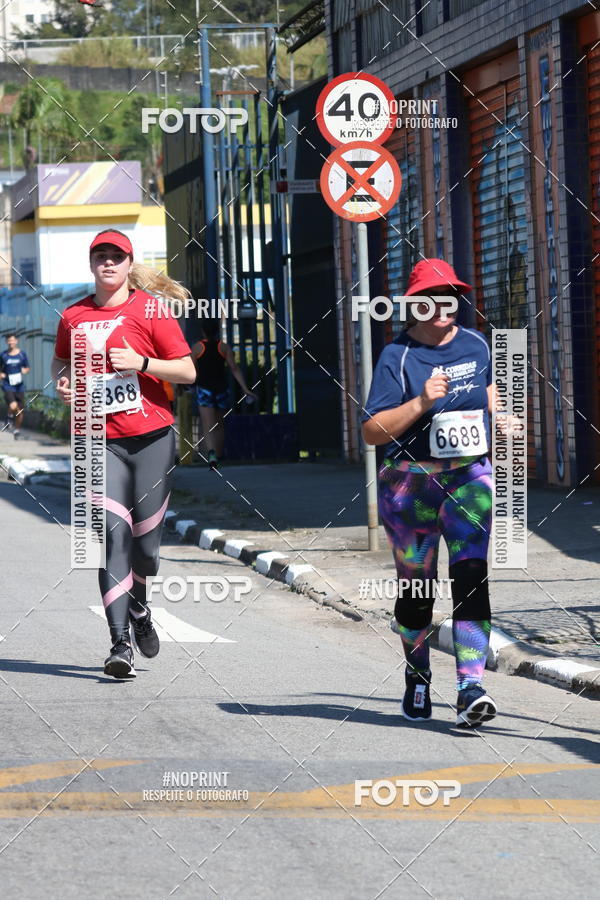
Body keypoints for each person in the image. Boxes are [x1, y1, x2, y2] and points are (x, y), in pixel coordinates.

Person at [52, 229, 196, 678]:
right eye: (101, 257)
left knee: (146, 551)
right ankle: (119, 645)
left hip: (152, 438)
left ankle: (139, 606)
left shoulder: (150, 310)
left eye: (117, 257)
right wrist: (63, 385)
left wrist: (143, 364)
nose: (108, 263)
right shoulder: (73, 315)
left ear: (129, 263)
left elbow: (188, 372)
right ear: (91, 264)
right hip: (100, 439)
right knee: (114, 535)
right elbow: (61, 361)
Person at [362, 258, 497, 728]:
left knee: (472, 580)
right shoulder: (395, 357)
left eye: (452, 296)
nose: (444, 305)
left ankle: (470, 687)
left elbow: (489, 392)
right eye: (432, 297)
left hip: (469, 478)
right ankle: (418, 676)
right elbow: (372, 432)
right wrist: (421, 402)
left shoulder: (478, 344)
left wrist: (504, 419)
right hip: (409, 485)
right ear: (413, 305)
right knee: (418, 591)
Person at [190, 322, 257, 469]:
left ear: (202, 331)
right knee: (219, 425)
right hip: (221, 389)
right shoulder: (224, 347)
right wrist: (245, 389)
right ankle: (219, 456)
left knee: (207, 425)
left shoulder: (197, 348)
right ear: (218, 331)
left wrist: (185, 386)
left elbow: (192, 371)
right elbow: (234, 368)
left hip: (204, 389)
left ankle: (212, 456)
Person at [1, 333, 30, 438]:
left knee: (19, 411)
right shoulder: (3, 355)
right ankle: (8, 418)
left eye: (12, 340)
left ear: (16, 341)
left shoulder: (22, 354)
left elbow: (27, 368)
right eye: (8, 341)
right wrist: (2, 374)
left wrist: (24, 370)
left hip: (19, 386)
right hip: (7, 385)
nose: (10, 343)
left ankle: (17, 430)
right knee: (13, 405)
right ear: (6, 342)